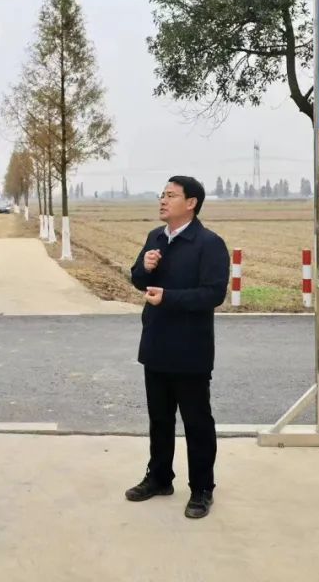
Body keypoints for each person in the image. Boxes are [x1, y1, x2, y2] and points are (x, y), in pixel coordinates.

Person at [125, 175, 230, 520]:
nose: (163, 200)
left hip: (191, 349)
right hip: (156, 343)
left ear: (191, 203)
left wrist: (168, 297)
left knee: (197, 421)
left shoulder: (209, 244)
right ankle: (159, 477)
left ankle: (201, 489)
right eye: (162, 194)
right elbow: (138, 279)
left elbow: (213, 294)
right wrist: (145, 267)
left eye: (171, 195)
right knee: (159, 419)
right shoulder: (155, 238)